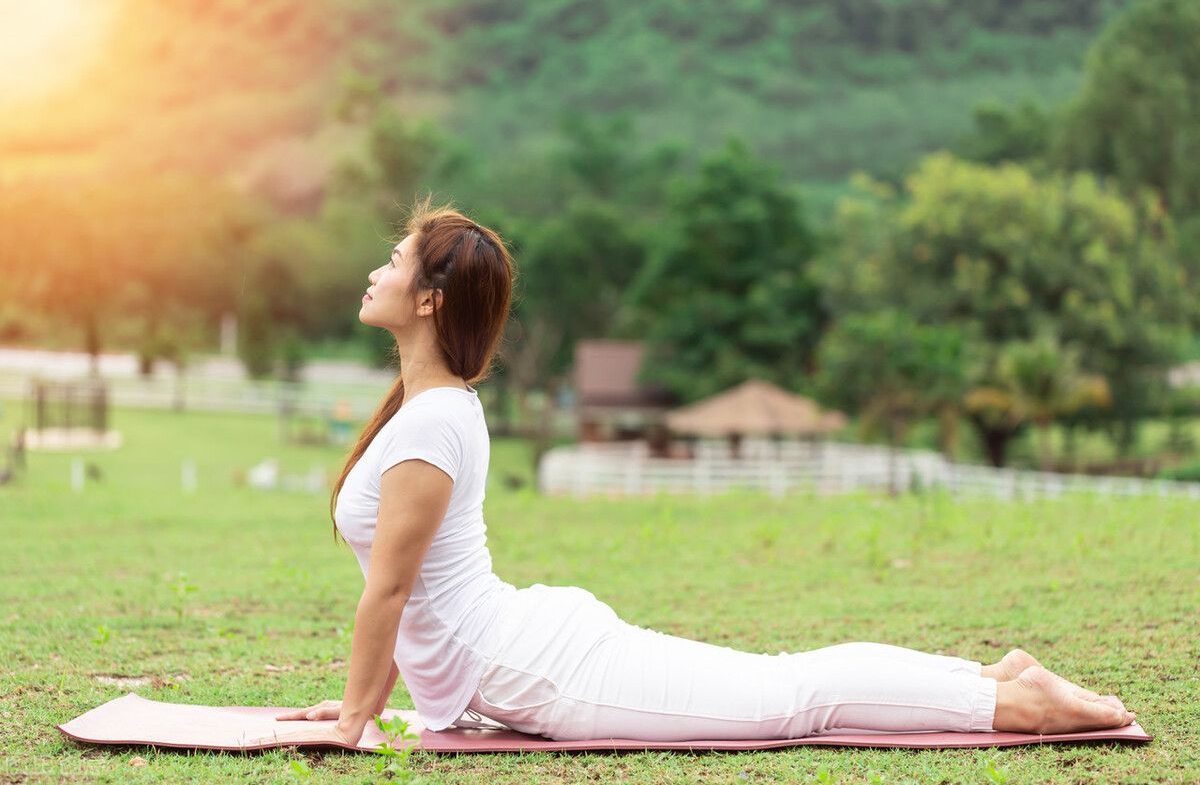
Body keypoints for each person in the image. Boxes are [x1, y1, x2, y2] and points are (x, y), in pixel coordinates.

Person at [266, 197, 1136, 746]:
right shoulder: (424, 413)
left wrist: (353, 720)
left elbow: (388, 593)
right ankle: (993, 679)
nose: (377, 268)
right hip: (523, 655)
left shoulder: (435, 421)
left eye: (395, 260)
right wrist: (362, 709)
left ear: (429, 299)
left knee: (791, 697)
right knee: (784, 683)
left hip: (538, 669)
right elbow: (404, 596)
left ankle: (1016, 704)